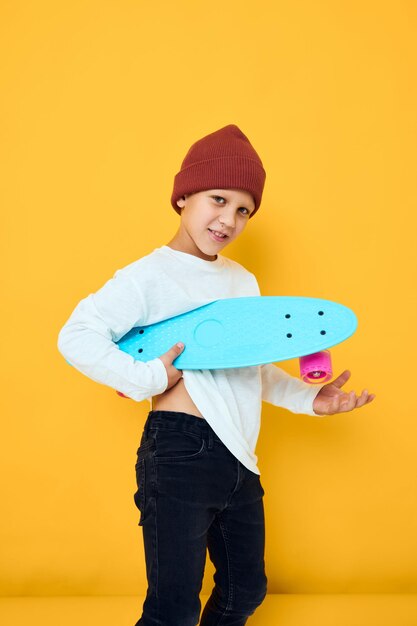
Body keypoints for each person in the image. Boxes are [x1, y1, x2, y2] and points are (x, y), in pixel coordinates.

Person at [57, 124, 375, 626]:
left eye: (243, 210)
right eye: (218, 199)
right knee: (173, 609)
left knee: (246, 591)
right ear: (184, 197)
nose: (228, 219)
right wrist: (149, 378)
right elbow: (77, 336)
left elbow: (251, 369)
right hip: (180, 450)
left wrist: (311, 400)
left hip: (240, 456)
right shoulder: (148, 276)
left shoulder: (241, 281)